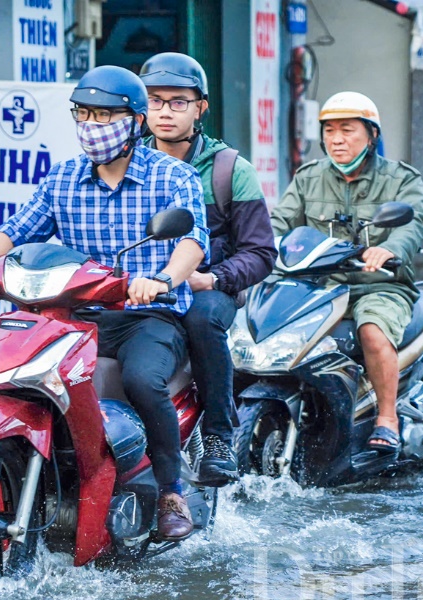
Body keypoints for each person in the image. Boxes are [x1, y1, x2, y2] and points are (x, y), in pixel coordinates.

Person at [0, 66, 210, 541]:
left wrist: (162, 280)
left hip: (144, 315)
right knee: (11, 368)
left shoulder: (174, 176)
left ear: (134, 121)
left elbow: (192, 242)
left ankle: (171, 491)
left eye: (105, 115)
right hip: (72, 314)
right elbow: (17, 229)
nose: (92, 125)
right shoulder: (62, 177)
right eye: (84, 114)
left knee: (141, 380)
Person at [140, 52, 277, 486]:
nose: (164, 111)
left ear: (201, 107)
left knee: (200, 320)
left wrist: (212, 278)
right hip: (138, 285)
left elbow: (260, 253)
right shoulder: (125, 161)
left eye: (178, 101)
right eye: (154, 100)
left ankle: (219, 435)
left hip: (207, 286)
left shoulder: (230, 170)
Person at [270, 91, 423, 452]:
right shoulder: (309, 177)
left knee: (372, 331)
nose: (336, 139)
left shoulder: (401, 179)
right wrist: (261, 244)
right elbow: (279, 222)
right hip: (319, 286)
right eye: (329, 131)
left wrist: (390, 249)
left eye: (347, 130)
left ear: (371, 135)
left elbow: (413, 223)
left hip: (379, 285)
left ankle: (387, 417)